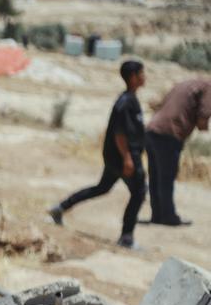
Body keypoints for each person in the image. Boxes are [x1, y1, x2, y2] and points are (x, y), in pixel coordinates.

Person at [48, 61, 148, 249]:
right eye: (142, 73)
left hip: (116, 157)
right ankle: (127, 238)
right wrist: (127, 158)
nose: (145, 77)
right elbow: (120, 134)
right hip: (124, 157)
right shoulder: (126, 102)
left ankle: (60, 208)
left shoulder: (130, 99)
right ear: (133, 76)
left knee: (102, 188)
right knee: (139, 192)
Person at [145, 78, 211, 226]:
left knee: (156, 176)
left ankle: (157, 215)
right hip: (170, 133)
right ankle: (169, 217)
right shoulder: (209, 89)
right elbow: (202, 120)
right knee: (167, 177)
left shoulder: (190, 83)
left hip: (152, 129)